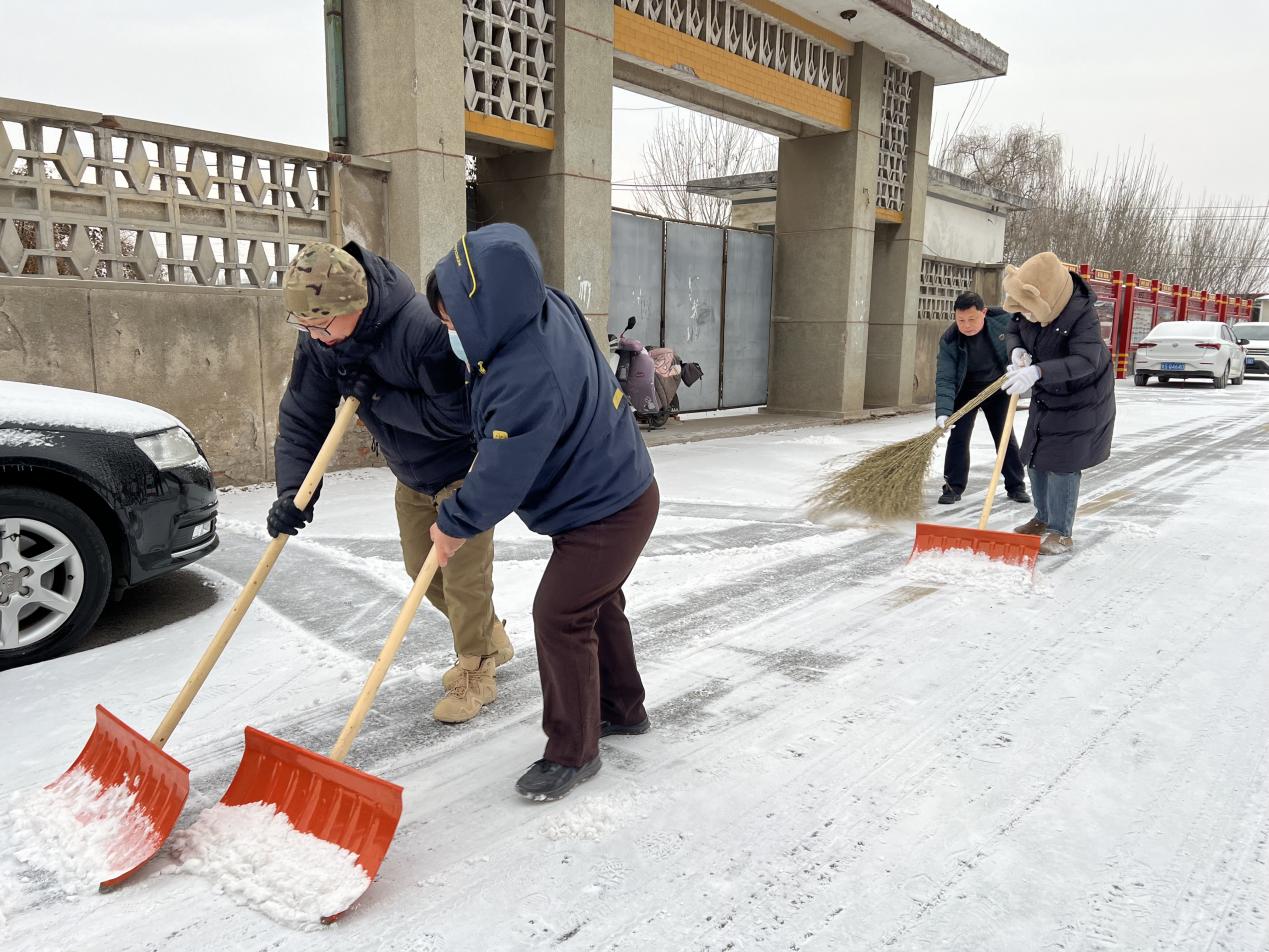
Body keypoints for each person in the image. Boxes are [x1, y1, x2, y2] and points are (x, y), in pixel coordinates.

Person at [424, 223, 658, 802]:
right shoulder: (541, 304)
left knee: (559, 615)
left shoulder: (527, 375)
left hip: (607, 508)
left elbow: (503, 472)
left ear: (486, 311)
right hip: (611, 489)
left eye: (452, 321)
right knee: (596, 605)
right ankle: (624, 709)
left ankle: (572, 752)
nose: (448, 333)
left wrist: (454, 522)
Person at [270, 241, 513, 723]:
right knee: (419, 571)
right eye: (305, 326)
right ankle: (488, 641)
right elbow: (303, 415)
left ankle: (476, 671)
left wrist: (379, 395)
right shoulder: (322, 338)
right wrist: (292, 490)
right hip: (410, 475)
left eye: (320, 325)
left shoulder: (421, 331)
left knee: (463, 581)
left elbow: (458, 417)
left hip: (462, 472)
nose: (314, 336)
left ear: (353, 306)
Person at [1001, 251, 1116, 555]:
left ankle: (1060, 531)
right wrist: (1017, 353)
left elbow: (1086, 360)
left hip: (1083, 398)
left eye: (1028, 310)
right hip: (1048, 393)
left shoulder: (1083, 316)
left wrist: (1038, 371)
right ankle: (1042, 517)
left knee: (1063, 465)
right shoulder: (1024, 312)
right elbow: (1013, 330)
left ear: (1047, 298)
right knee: (1036, 458)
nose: (1024, 315)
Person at [934, 291, 1030, 505]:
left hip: (997, 388)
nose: (966, 325)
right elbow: (945, 378)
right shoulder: (950, 340)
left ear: (983, 313)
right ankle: (953, 487)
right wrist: (943, 412)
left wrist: (1022, 358)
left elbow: (1026, 337)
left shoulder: (1004, 321)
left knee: (1004, 436)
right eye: (960, 320)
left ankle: (1016, 486)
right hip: (966, 392)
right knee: (958, 438)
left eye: (971, 319)